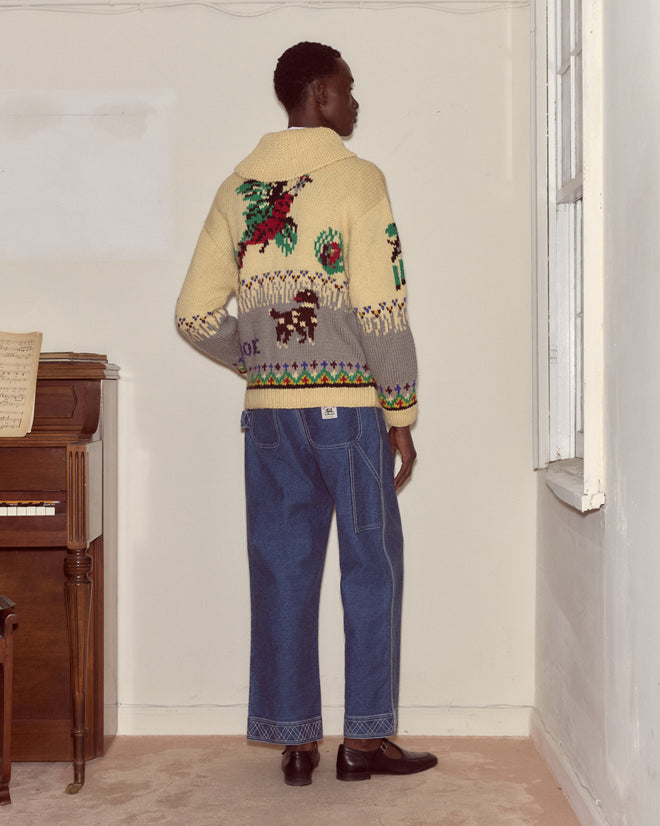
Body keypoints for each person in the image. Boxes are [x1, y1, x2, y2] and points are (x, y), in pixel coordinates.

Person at [176, 41, 437, 786]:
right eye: (348, 89)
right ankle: (364, 742)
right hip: (347, 413)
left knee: (283, 569)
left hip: (269, 420)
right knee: (371, 568)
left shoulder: (236, 188)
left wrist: (258, 362)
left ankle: (296, 742)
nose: (356, 103)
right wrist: (401, 410)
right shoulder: (358, 181)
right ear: (319, 92)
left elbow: (194, 315)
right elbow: (383, 309)